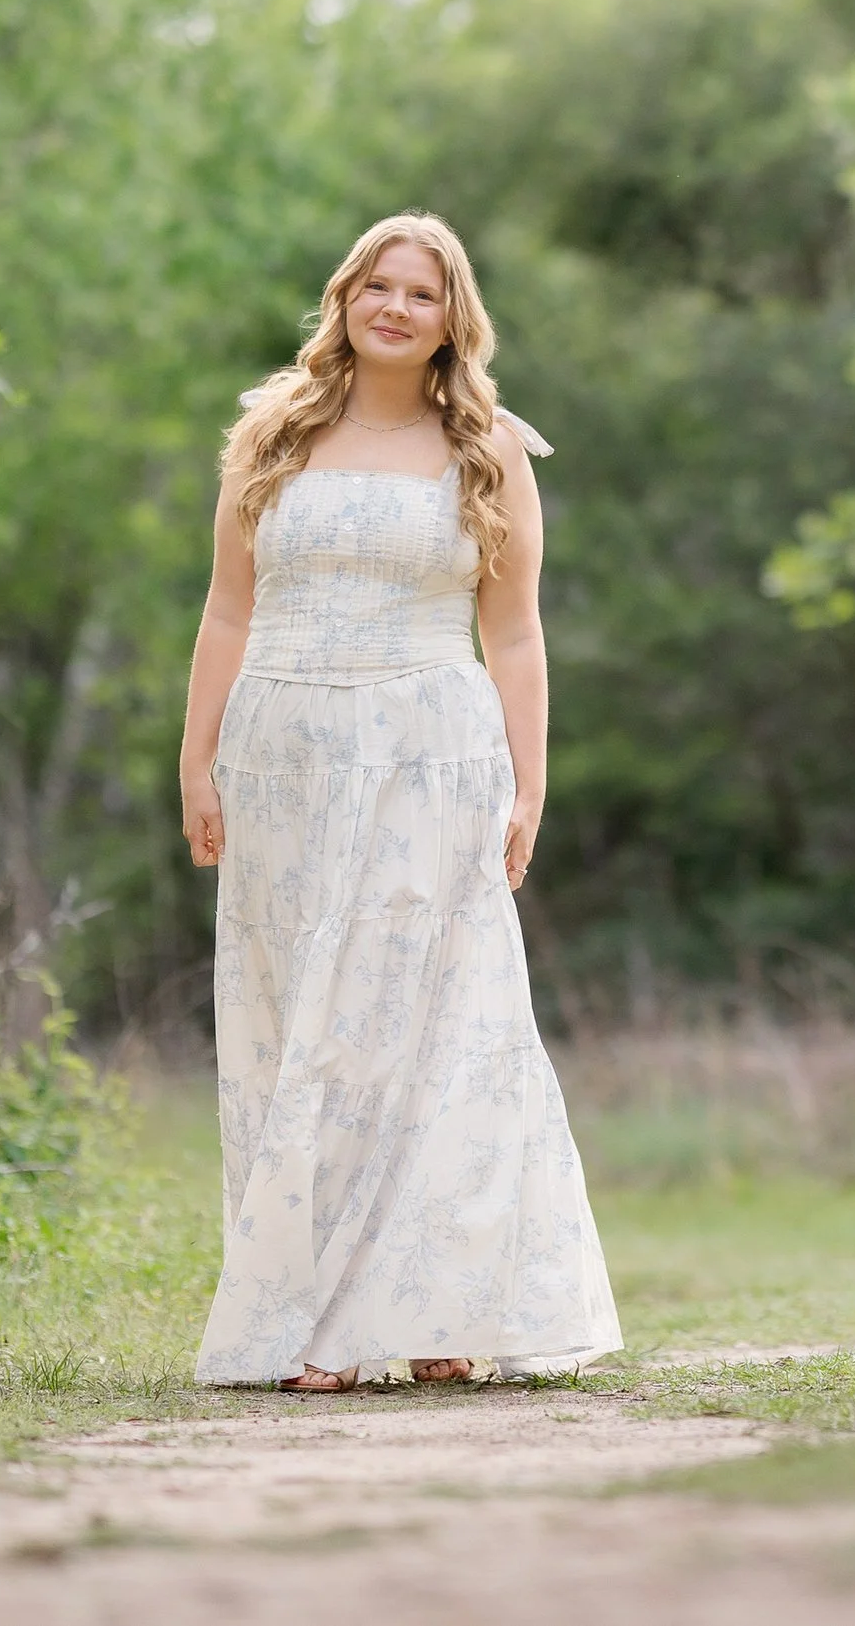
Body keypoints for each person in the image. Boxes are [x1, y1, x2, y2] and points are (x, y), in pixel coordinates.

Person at [178, 212, 624, 1392]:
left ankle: (443, 1306)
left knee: (436, 1022)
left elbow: (515, 630)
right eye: (376, 285)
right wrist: (196, 759)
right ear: (344, 297)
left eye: (418, 293)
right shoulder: (270, 434)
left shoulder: (487, 450)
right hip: (285, 751)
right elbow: (226, 609)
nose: (392, 306)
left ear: (449, 318)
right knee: (304, 1023)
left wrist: (532, 783)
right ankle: (307, 1319)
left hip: (431, 748)